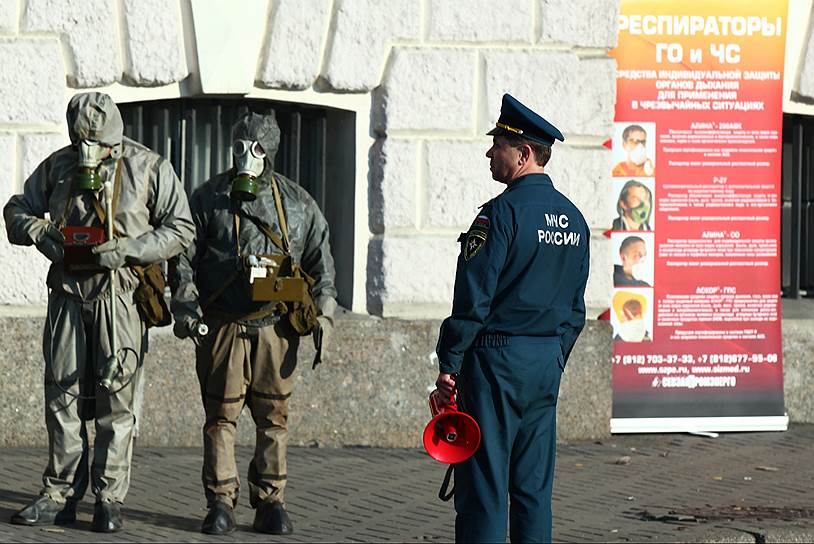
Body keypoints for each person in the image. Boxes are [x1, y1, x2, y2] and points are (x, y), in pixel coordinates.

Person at [4, 92, 194, 532]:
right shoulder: (59, 166)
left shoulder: (149, 168)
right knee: (63, 396)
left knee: (117, 401)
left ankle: (109, 497)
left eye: (97, 144)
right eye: (80, 142)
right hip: (69, 296)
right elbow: (17, 208)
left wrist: (130, 250)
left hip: (120, 299)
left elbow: (181, 227)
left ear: (114, 139)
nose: (87, 152)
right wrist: (39, 231)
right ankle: (60, 493)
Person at [169, 111, 337, 536]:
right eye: (241, 148)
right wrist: (186, 307)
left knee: (273, 418)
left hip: (274, 330)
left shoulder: (298, 206)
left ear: (272, 153)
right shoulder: (208, 200)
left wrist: (325, 317)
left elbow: (322, 266)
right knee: (220, 418)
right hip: (223, 326)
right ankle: (220, 501)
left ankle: (270, 501)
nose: (248, 157)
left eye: (258, 149)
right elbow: (182, 260)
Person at [433, 94, 590, 543]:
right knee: (534, 489)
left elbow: (473, 301)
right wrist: (553, 357)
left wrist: (451, 363)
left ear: (523, 155)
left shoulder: (498, 215)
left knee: (483, 486)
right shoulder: (575, 220)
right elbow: (575, 309)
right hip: (545, 363)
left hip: (495, 363)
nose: (489, 152)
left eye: (498, 143)